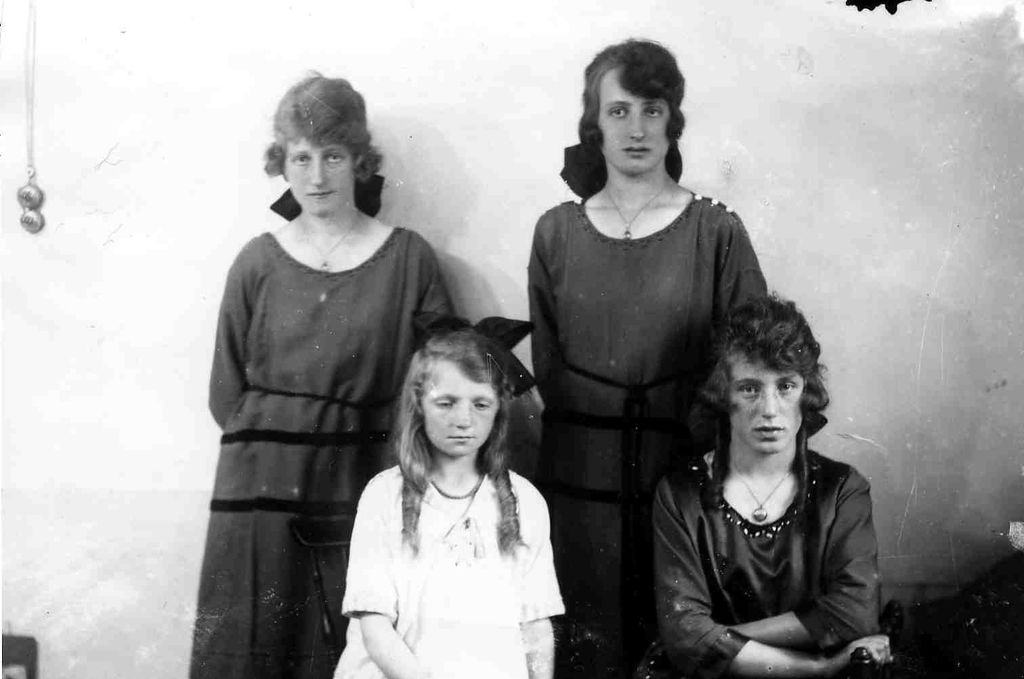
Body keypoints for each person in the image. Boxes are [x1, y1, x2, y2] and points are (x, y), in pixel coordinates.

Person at [190, 73, 452, 679]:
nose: (315, 176)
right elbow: (226, 394)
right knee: (256, 645)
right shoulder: (257, 261)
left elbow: (438, 391)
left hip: (361, 479)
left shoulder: (409, 259)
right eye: (300, 157)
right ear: (280, 163)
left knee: (353, 645)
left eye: (332, 156)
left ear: (360, 160)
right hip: (262, 496)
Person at [528, 39, 766, 676]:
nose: (636, 129)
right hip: (578, 489)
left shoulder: (716, 231)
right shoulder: (555, 232)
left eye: (652, 110)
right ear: (595, 125)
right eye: (619, 111)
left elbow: (753, 369)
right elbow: (550, 368)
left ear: (672, 121)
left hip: (679, 487)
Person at [647, 295, 891, 678]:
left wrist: (712, 639)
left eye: (786, 386)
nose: (770, 410)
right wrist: (818, 668)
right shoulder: (680, 493)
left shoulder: (842, 490)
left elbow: (856, 613)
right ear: (722, 396)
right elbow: (683, 632)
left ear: (806, 393)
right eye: (749, 389)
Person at [335, 321, 564, 679]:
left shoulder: (525, 502)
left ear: (499, 410)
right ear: (419, 405)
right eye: (446, 403)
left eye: (480, 404)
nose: (463, 420)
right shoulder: (384, 495)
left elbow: (536, 631)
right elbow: (376, 631)